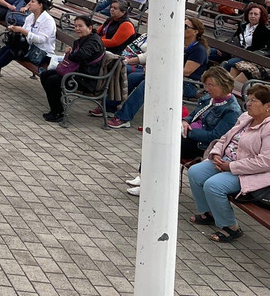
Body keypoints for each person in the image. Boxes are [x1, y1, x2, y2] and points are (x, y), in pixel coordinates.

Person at [125, 67, 241, 196]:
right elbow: (193, 114)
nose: (207, 89)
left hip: (202, 145)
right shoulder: (209, 98)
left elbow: (215, 136)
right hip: (190, 135)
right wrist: (185, 122)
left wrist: (187, 132)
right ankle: (143, 177)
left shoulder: (231, 111)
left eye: (211, 85)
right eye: (206, 85)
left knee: (165, 145)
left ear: (223, 84)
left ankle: (150, 186)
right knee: (156, 138)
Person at [187, 84, 270, 243]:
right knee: (195, 172)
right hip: (225, 161)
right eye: (248, 99)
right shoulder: (246, 117)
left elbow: (265, 162)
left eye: (254, 100)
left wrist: (231, 167)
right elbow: (225, 138)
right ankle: (209, 212)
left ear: (268, 105)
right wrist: (216, 153)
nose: (249, 104)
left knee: (214, 185)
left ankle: (231, 227)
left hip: (249, 172)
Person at [106, 16, 210, 128]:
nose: (181, 28)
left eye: (185, 26)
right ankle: (109, 107)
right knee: (131, 77)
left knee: (148, 84)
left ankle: (123, 118)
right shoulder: (177, 43)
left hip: (187, 83)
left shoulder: (198, 50)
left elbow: (186, 72)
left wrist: (159, 71)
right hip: (169, 77)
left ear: (195, 31)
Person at [0, 0, 56, 86]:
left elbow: (41, 39)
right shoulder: (30, 17)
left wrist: (23, 31)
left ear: (40, 5)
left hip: (41, 53)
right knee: (4, 49)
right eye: (30, 1)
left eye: (32, 2)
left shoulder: (48, 21)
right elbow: (24, 33)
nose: (29, 4)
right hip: (29, 48)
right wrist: (15, 29)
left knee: (12, 52)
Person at [40, 14, 105, 123]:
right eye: (75, 26)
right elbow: (78, 56)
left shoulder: (93, 41)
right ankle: (56, 109)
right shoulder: (83, 39)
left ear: (89, 27)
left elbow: (80, 56)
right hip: (77, 73)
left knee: (53, 80)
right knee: (45, 75)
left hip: (86, 79)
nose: (77, 29)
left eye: (80, 26)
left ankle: (58, 112)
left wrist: (70, 54)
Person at [225, 3, 270, 84]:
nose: (252, 16)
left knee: (230, 64)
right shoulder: (243, 26)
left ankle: (222, 88)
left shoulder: (264, 31)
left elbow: (261, 49)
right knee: (210, 52)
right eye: (251, 13)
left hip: (249, 57)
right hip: (234, 50)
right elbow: (233, 38)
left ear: (261, 16)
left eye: (255, 14)